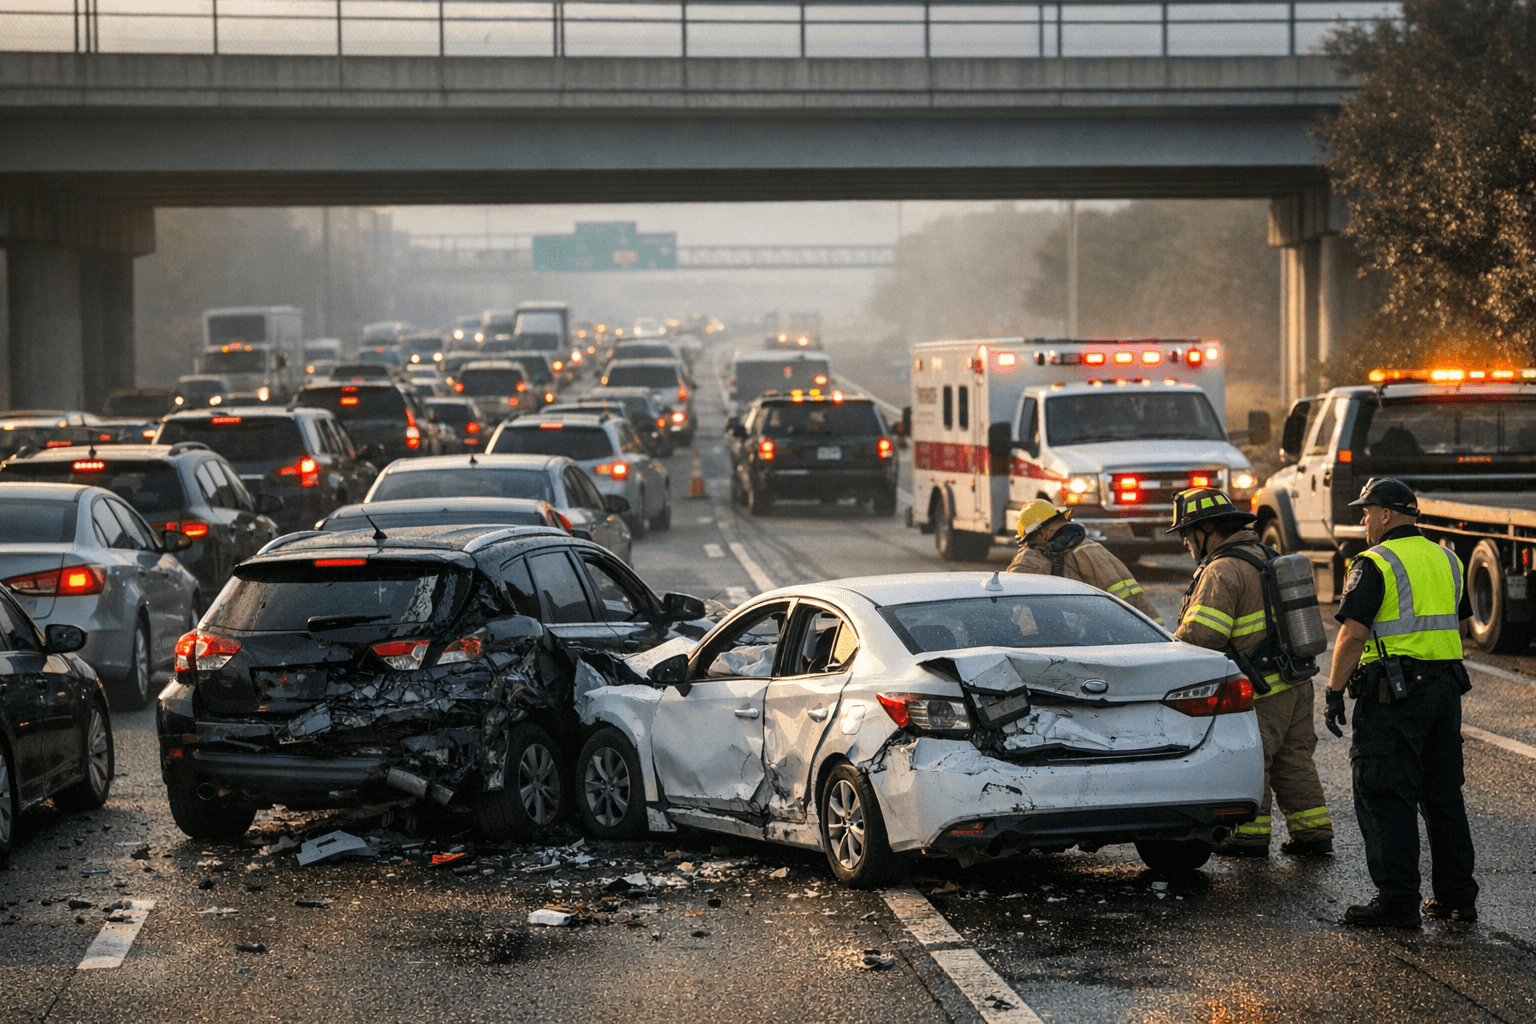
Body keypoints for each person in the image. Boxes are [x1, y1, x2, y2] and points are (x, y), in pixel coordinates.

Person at [1324, 477, 1478, 928]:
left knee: (1386, 795)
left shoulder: (1374, 562)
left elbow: (1353, 635)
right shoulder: (1448, 559)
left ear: (1386, 515)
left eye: (1366, 512)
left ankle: (1397, 903)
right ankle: (1457, 899)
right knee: (1443, 797)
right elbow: (1460, 627)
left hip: (1394, 696)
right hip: (1445, 692)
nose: (1363, 521)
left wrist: (1334, 691)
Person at [1168, 487, 1334, 859]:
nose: (1185, 542)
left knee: (1253, 760)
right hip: (1295, 682)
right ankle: (1313, 833)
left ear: (1208, 529)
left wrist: (1171, 642)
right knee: (1294, 759)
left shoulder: (1222, 569)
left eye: (1187, 532)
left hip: (1261, 690)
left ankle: (1248, 837)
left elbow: (1204, 635)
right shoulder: (1266, 555)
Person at [1006, 499, 1162, 624]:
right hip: (1143, 632)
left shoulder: (1037, 556)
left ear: (1043, 534)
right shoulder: (1094, 548)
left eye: (1031, 541)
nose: (1030, 546)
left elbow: (1010, 604)